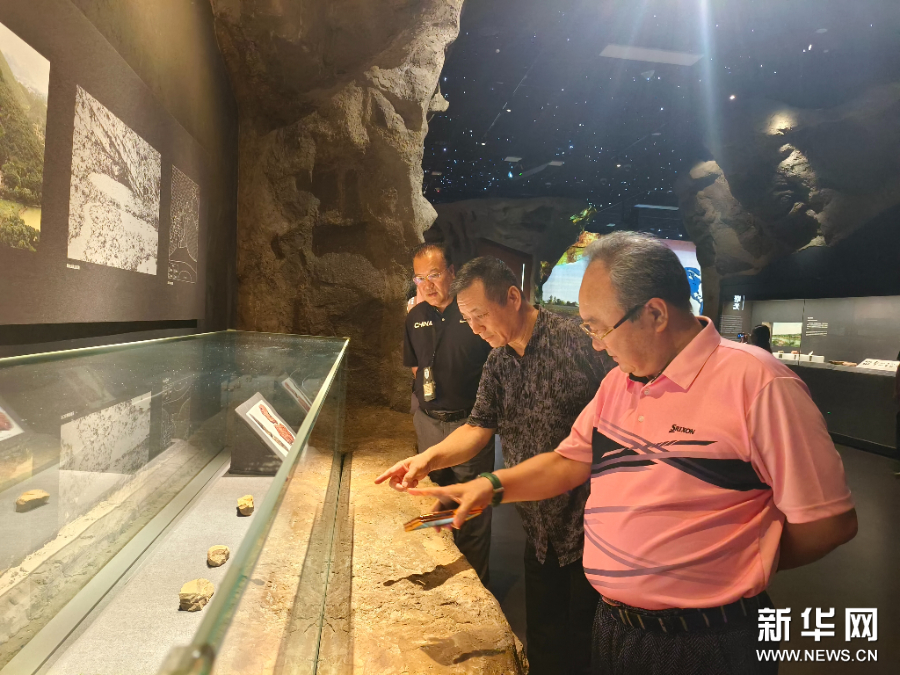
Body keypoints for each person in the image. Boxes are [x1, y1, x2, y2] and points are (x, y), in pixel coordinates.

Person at [404, 233, 857, 675]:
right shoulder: (618, 383)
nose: (595, 344)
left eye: (599, 327)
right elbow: (568, 461)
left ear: (655, 313)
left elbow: (828, 523)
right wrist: (490, 485)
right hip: (618, 625)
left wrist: (734, 563)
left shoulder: (758, 383)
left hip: (706, 636)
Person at [380, 256, 612, 675]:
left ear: (513, 297)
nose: (474, 328)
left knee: (589, 646)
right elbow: (478, 427)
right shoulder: (499, 361)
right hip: (538, 531)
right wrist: (426, 458)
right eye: (467, 319)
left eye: (480, 315)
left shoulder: (578, 343)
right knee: (544, 640)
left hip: (592, 528)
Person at [402, 243, 495, 584]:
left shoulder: (470, 312)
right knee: (435, 499)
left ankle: (478, 585)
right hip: (428, 422)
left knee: (473, 507)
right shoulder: (415, 317)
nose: (427, 285)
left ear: (452, 273)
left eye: (434, 274)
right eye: (419, 278)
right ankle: (446, 578)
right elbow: (415, 366)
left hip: (469, 423)